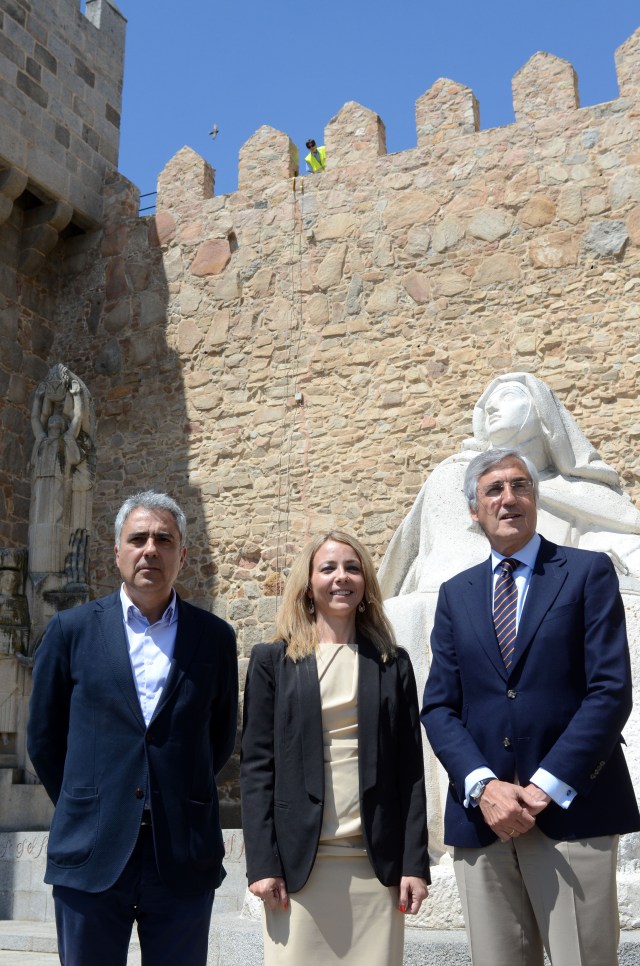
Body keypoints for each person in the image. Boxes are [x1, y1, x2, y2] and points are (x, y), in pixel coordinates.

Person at [421, 447, 640, 966]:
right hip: (484, 820)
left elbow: (610, 689)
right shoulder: (456, 594)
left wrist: (545, 785)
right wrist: (484, 785)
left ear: (535, 500)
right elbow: (439, 707)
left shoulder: (586, 573)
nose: (509, 498)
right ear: (474, 511)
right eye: (493, 490)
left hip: (572, 811)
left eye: (520, 486)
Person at [27, 491, 238, 966]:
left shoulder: (215, 638)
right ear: (117, 551)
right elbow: (43, 738)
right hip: (91, 850)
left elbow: (220, 738)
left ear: (182, 555)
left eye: (164, 540)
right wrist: (92, 800)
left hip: (181, 854)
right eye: (137, 538)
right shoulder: (70, 630)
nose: (150, 549)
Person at [241, 530, 429, 965]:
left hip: (375, 866)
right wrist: (262, 864)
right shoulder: (273, 662)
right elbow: (256, 768)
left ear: (365, 583)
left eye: (352, 567)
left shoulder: (392, 663)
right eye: (328, 568)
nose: (341, 577)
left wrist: (414, 864)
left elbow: (410, 771)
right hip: (298, 869)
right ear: (308, 584)